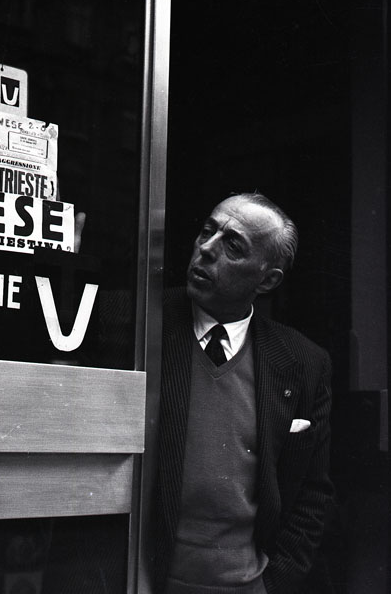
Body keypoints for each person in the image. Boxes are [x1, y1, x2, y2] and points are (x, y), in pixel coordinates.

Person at [153, 193, 333, 594]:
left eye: (233, 245)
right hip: (146, 578)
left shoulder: (304, 363)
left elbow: (313, 495)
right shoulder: (142, 323)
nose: (206, 248)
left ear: (267, 280)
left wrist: (272, 583)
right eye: (207, 231)